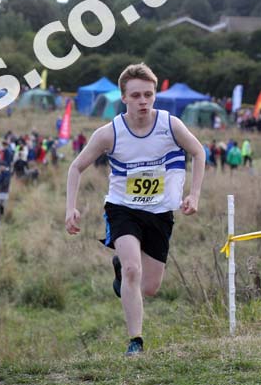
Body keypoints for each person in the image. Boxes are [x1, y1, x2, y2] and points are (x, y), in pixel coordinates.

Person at [65, 63, 204, 356]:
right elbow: (76, 167)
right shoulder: (109, 133)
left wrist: (194, 194)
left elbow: (198, 151)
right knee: (132, 269)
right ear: (124, 97)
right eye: (137, 95)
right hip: (122, 209)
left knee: (150, 287)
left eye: (149, 95)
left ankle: (122, 272)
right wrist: (71, 208)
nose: (143, 101)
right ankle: (135, 342)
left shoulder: (171, 125)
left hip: (160, 212)